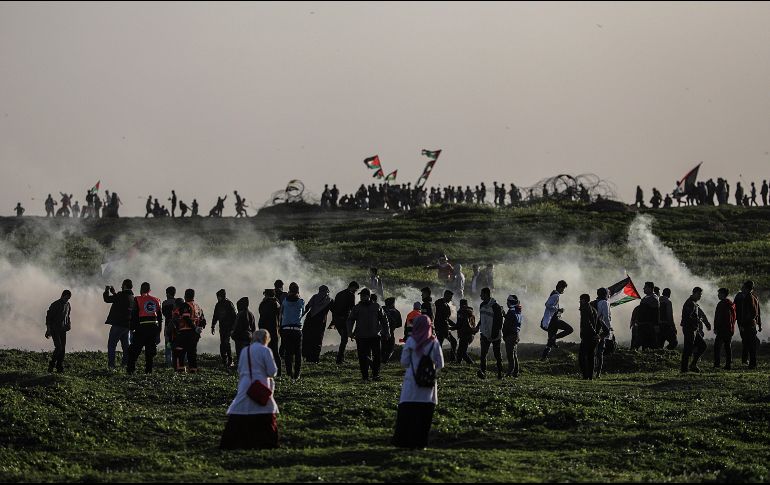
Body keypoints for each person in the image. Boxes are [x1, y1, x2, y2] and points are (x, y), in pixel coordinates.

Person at [220, 330, 279, 450]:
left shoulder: (245, 350)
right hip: (261, 384)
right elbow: (272, 372)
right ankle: (266, 442)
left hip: (245, 384)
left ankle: (234, 442)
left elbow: (240, 369)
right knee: (264, 410)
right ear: (266, 339)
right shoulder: (265, 350)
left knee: (241, 409)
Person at [392, 315, 445, 449]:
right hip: (427, 383)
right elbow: (441, 364)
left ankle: (404, 442)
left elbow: (404, 362)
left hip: (411, 382)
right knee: (424, 417)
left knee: (408, 414)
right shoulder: (434, 342)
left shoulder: (411, 341)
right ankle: (421, 443)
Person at [347, 287, 389, 382]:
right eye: (361, 296)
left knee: (377, 356)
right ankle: (365, 377)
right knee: (362, 357)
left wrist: (387, 332)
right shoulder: (356, 308)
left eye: (364, 296)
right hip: (361, 336)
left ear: (369, 296)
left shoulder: (377, 307)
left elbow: (384, 320)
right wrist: (350, 332)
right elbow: (350, 320)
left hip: (375, 336)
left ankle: (375, 375)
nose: (362, 297)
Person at [126, 282, 162, 374]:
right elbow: (159, 317)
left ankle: (130, 371)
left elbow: (134, 315)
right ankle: (148, 371)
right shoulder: (157, 300)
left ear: (141, 289)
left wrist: (131, 328)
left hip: (141, 329)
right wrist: (159, 331)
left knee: (134, 351)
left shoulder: (137, 299)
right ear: (149, 290)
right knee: (150, 353)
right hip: (153, 329)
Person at [103, 280, 136, 369]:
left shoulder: (121, 295)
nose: (121, 287)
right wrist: (114, 293)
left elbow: (107, 299)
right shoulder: (132, 297)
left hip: (118, 325)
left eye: (122, 285)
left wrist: (106, 290)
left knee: (111, 345)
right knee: (126, 347)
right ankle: (125, 364)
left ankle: (111, 365)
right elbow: (119, 300)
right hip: (127, 326)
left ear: (124, 286)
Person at [173, 289, 207, 373]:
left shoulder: (185, 305)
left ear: (185, 296)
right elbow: (203, 321)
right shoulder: (198, 307)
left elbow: (186, 318)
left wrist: (194, 327)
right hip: (195, 334)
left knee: (180, 351)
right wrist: (199, 328)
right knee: (192, 352)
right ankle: (193, 370)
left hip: (184, 332)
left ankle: (181, 369)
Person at [680, 287, 711, 373]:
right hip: (689, 329)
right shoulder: (690, 303)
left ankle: (692, 364)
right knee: (688, 349)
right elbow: (687, 317)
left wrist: (706, 323)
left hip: (694, 329)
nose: (700, 296)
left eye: (700, 295)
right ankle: (684, 369)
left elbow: (700, 313)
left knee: (702, 346)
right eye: (698, 294)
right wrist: (697, 320)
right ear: (694, 293)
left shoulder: (694, 303)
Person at [540, 280, 573, 360]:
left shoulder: (554, 294)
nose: (563, 290)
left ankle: (544, 357)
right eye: (563, 288)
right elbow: (547, 304)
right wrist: (558, 309)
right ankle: (554, 338)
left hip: (551, 319)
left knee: (550, 341)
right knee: (569, 329)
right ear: (560, 287)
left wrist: (558, 310)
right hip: (553, 320)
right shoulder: (556, 295)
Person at [301, 285, 333, 363]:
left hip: (309, 321)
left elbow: (307, 307)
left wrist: (299, 317)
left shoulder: (315, 297)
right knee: (317, 340)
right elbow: (335, 312)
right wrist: (333, 322)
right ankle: (315, 359)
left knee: (307, 338)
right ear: (327, 292)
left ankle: (307, 357)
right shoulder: (330, 300)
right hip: (320, 323)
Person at [280, 282, 305, 380]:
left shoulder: (285, 301)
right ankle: (297, 374)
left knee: (288, 352)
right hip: (297, 329)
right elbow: (302, 312)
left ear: (289, 291)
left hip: (286, 329)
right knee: (298, 353)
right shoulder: (301, 302)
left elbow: (281, 312)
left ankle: (289, 373)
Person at [330, 281, 359, 365]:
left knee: (344, 339)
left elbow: (334, 308)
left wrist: (334, 320)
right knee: (344, 339)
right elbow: (352, 309)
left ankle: (340, 358)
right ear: (352, 287)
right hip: (344, 320)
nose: (355, 291)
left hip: (337, 320)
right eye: (355, 289)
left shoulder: (339, 294)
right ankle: (339, 359)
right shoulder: (351, 295)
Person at [734, 280, 762, 369]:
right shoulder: (747, 297)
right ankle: (748, 361)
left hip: (746, 323)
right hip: (747, 323)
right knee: (749, 342)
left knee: (749, 342)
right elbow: (757, 312)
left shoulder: (748, 297)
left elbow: (754, 312)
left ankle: (749, 362)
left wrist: (742, 324)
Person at [477, 287, 503, 379]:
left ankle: (500, 373)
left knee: (497, 355)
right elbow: (481, 319)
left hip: (495, 335)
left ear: (486, 294)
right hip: (484, 334)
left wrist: (493, 335)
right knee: (483, 354)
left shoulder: (496, 307)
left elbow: (499, 323)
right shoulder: (482, 305)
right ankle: (483, 372)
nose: (480, 296)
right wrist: (477, 327)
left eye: (482, 294)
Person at [45, 290, 72, 373]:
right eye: (66, 298)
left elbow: (68, 316)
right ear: (62, 296)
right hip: (55, 329)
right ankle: (51, 365)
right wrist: (48, 329)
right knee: (59, 347)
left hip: (63, 329)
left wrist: (68, 324)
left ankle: (59, 367)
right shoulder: (55, 304)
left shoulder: (68, 305)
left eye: (68, 298)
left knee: (62, 349)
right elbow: (48, 318)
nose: (67, 300)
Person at [211, 289, 238, 368]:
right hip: (222, 327)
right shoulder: (218, 305)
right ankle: (224, 360)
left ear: (221, 296)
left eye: (218, 296)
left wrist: (233, 328)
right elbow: (215, 316)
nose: (217, 298)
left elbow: (234, 316)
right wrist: (213, 326)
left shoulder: (229, 304)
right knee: (223, 343)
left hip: (229, 328)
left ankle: (230, 360)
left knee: (226, 343)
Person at [258, 289, 282, 376]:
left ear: (267, 295)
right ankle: (278, 371)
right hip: (275, 331)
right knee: (275, 352)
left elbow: (262, 315)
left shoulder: (265, 304)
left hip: (266, 331)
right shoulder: (277, 303)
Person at [578, 294, 601, 380]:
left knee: (581, 357)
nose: (579, 301)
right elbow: (599, 323)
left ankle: (585, 376)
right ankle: (590, 376)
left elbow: (587, 323)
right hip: (593, 337)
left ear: (584, 300)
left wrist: (594, 333)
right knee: (591, 357)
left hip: (587, 336)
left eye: (580, 299)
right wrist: (597, 334)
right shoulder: (593, 309)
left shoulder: (585, 309)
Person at [713, 288, 736, 370]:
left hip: (722, 329)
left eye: (719, 293)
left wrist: (716, 327)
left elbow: (719, 317)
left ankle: (717, 364)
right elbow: (733, 317)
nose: (718, 295)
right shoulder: (731, 304)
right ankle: (728, 364)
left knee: (717, 346)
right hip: (730, 328)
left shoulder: (721, 304)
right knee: (727, 347)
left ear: (723, 294)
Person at [594, 288, 613, 378]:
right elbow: (606, 317)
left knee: (593, 350)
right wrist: (609, 329)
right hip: (601, 328)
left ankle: (592, 370)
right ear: (605, 294)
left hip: (593, 328)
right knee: (600, 352)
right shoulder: (604, 303)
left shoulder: (595, 302)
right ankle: (598, 373)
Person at [434, 290, 458, 362]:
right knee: (440, 344)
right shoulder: (438, 303)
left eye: (451, 298)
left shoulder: (446, 305)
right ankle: (437, 360)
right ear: (445, 295)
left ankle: (452, 359)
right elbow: (438, 317)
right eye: (450, 297)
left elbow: (446, 318)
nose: (451, 299)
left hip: (445, 328)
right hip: (440, 328)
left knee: (453, 342)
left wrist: (455, 325)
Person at [502, 295, 523, 378]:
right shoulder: (517, 310)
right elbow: (513, 320)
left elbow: (508, 324)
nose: (506, 303)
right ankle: (515, 372)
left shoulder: (511, 311)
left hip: (510, 335)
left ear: (510, 302)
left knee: (510, 355)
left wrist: (504, 334)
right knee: (514, 354)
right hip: (516, 334)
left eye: (507, 301)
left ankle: (510, 372)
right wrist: (505, 315)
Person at [636, 282, 660, 350]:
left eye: (645, 287)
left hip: (649, 326)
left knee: (650, 345)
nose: (643, 288)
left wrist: (656, 325)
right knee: (643, 345)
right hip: (642, 325)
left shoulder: (654, 298)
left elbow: (656, 313)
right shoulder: (645, 298)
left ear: (650, 288)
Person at [232, 297, 256, 361]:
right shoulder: (251, 314)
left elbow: (237, 327)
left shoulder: (240, 314)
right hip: (249, 338)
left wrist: (233, 335)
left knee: (240, 356)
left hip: (240, 338)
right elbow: (253, 328)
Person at [455, 299, 477, 365]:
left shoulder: (461, 312)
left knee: (462, 352)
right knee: (460, 351)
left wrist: (451, 328)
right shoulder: (471, 312)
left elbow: (459, 324)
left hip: (464, 334)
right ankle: (458, 363)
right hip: (470, 334)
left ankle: (471, 363)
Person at [382, 297, 403, 363]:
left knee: (382, 347)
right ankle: (384, 360)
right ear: (393, 303)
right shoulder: (396, 312)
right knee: (390, 348)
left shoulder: (382, 309)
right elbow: (399, 324)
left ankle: (381, 360)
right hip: (391, 332)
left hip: (381, 332)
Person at [161, 286, 177, 367]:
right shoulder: (178, 302)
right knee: (177, 343)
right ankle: (178, 361)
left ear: (167, 294)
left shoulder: (164, 303)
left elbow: (164, 314)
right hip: (177, 326)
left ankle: (168, 362)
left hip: (168, 325)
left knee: (168, 344)